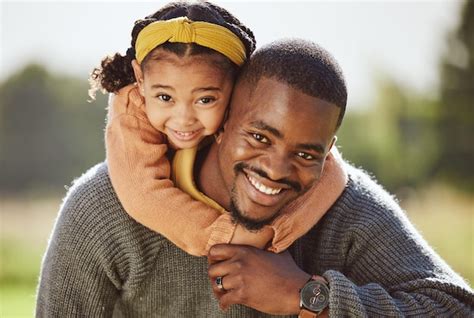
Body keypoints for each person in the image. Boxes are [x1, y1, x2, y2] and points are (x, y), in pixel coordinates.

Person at [36, 15, 474, 318]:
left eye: (306, 153)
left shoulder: (347, 210)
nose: (276, 169)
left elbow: (457, 309)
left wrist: (305, 296)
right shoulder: (101, 211)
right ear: (223, 123)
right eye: (260, 137)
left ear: (329, 150)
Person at [94, 1, 346, 257]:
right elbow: (143, 195)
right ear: (140, 79)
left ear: (236, 88)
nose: (183, 119)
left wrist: (274, 232)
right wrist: (228, 237)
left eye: (205, 100)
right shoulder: (131, 109)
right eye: (165, 98)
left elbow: (332, 172)